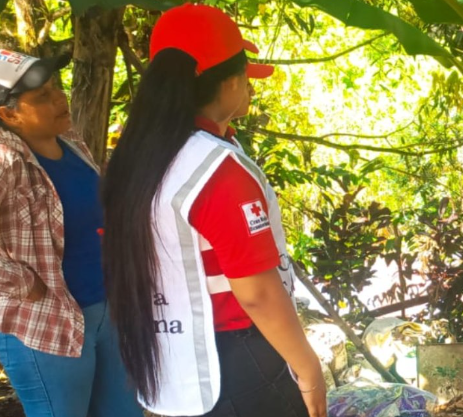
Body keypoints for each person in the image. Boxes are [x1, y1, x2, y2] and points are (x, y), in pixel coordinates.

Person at [100, 4, 326, 417]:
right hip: (240, 365)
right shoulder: (217, 170)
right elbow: (257, 293)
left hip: (172, 353)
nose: (251, 88)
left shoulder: (138, 159)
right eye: (247, 78)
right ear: (230, 83)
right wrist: (308, 367)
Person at [0, 49, 143, 417]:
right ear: (8, 114)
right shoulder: (5, 160)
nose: (59, 98)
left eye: (56, 88)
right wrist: (21, 282)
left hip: (106, 309)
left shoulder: (70, 141)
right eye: (42, 96)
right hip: (47, 323)